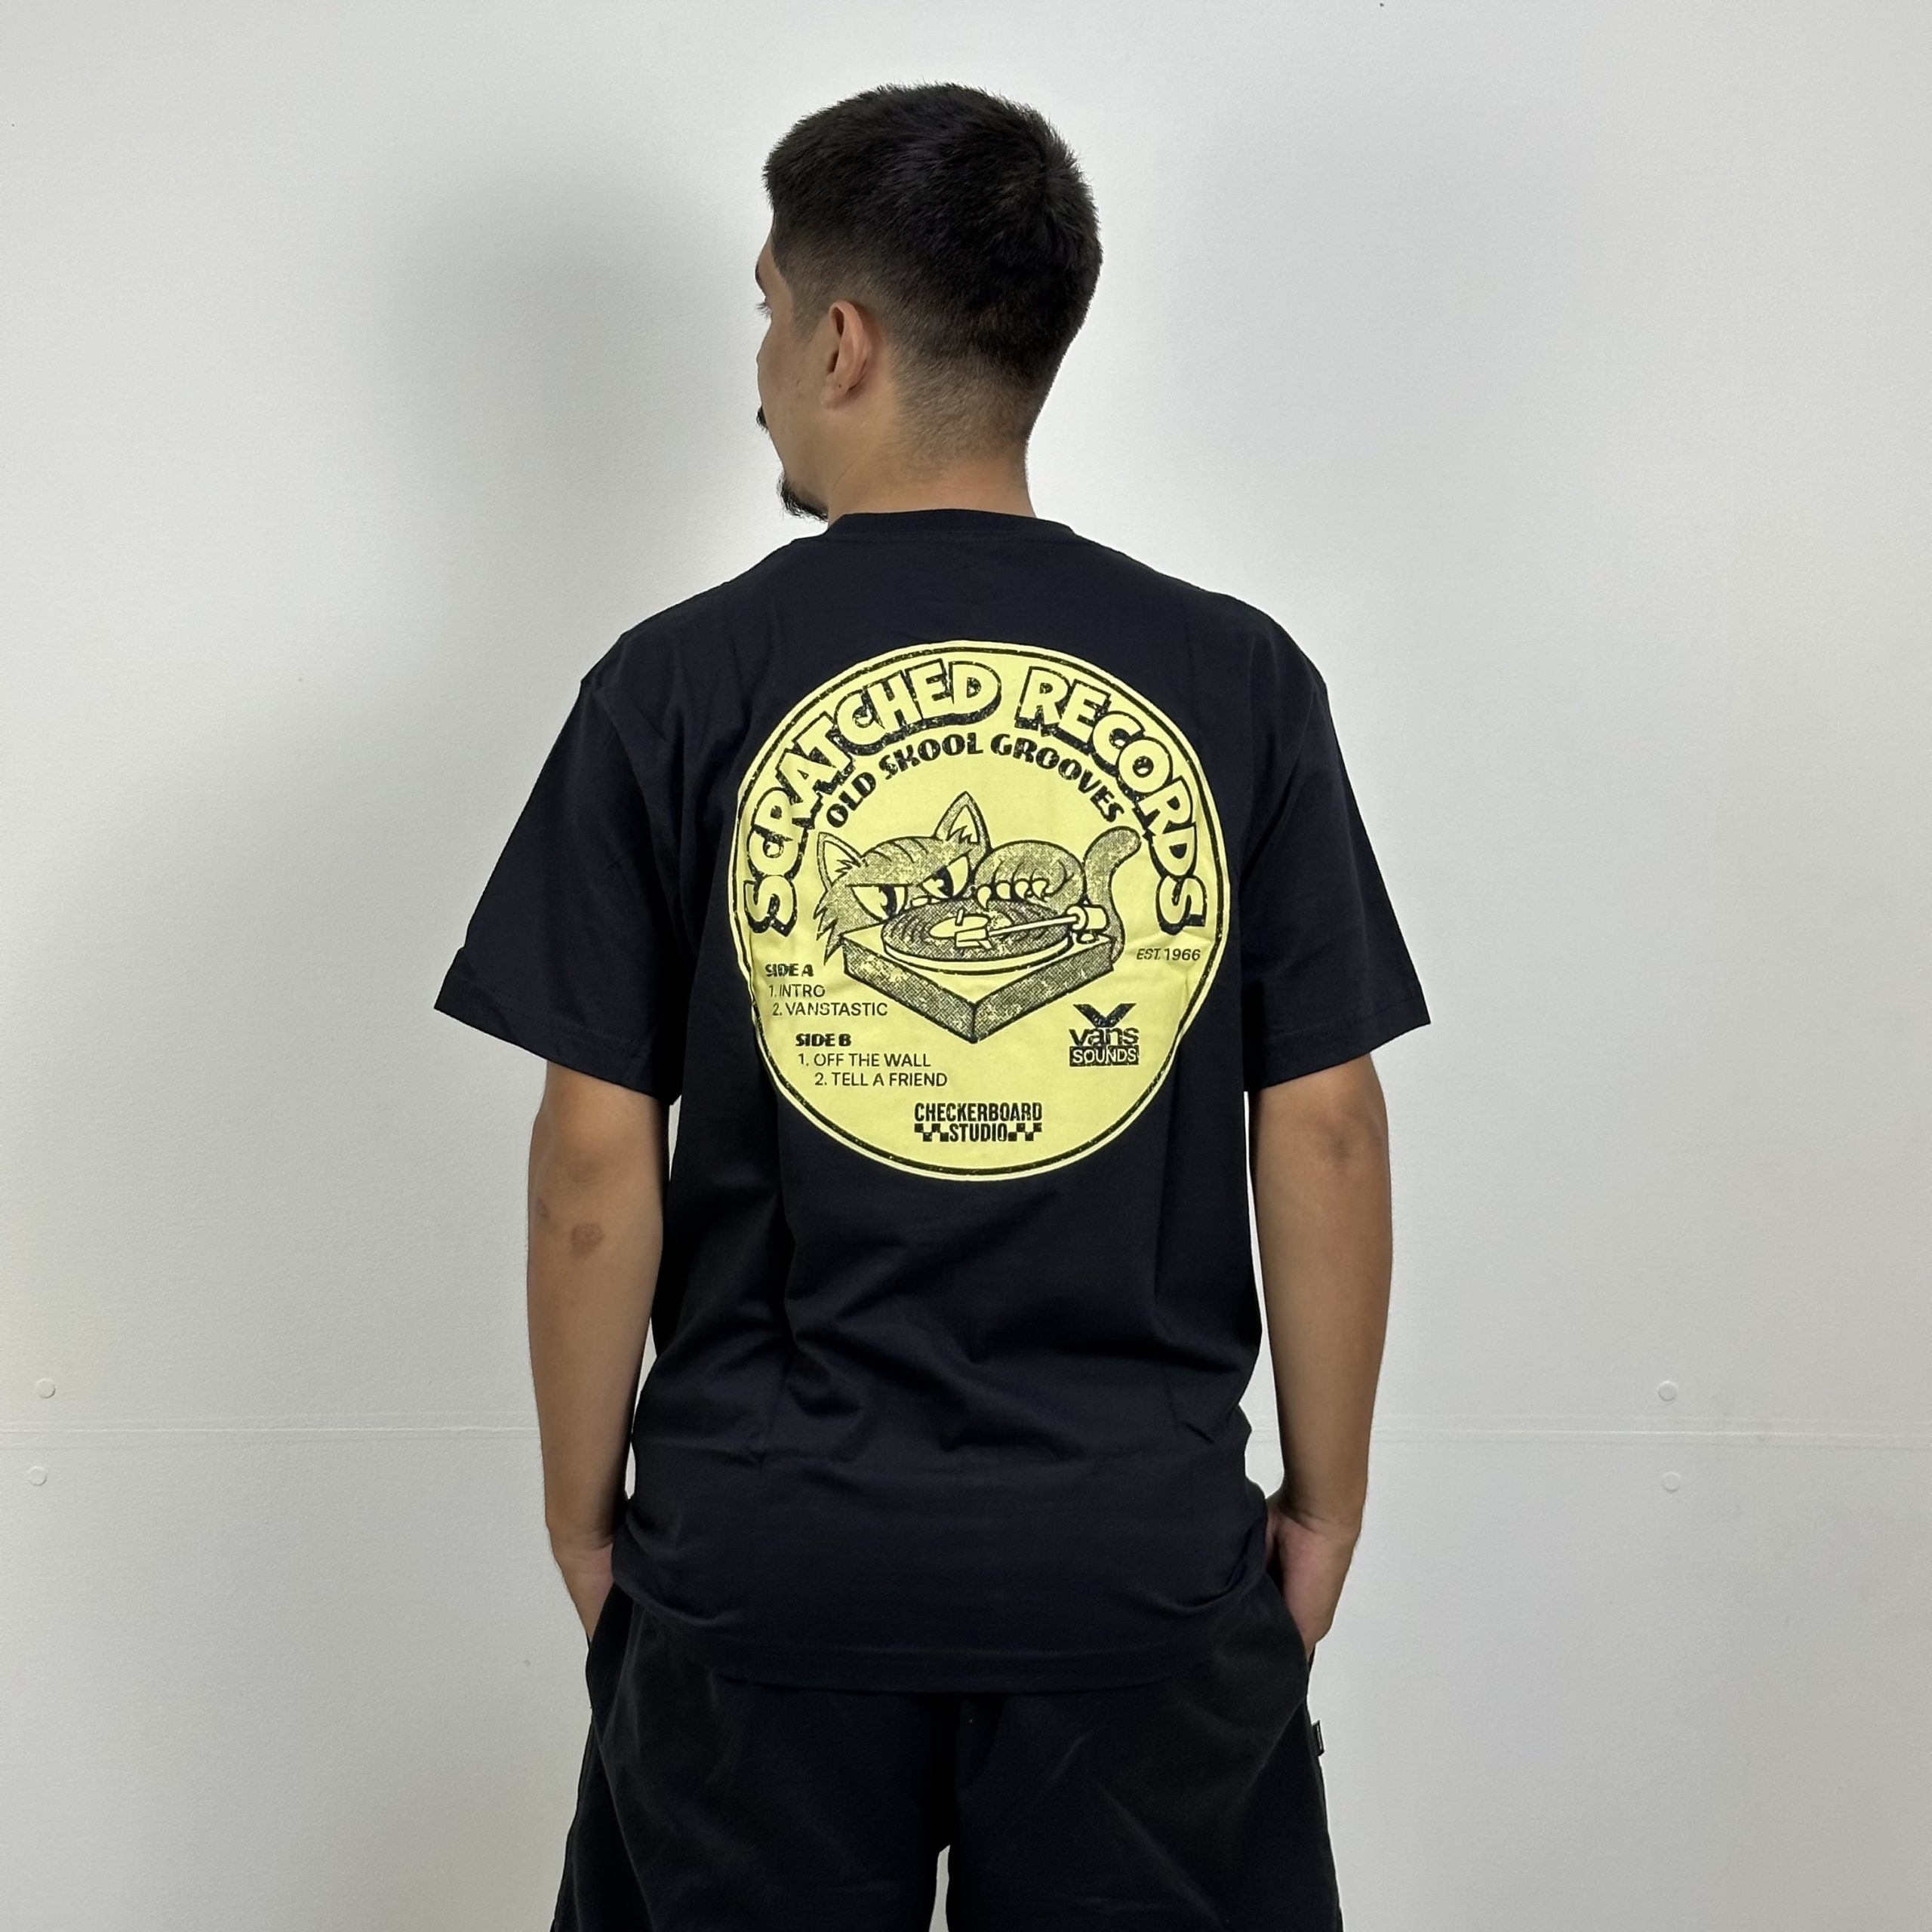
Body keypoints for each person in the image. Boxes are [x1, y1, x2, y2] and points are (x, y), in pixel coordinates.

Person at [433, 80, 1430, 1932]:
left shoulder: (676, 685)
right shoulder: (1237, 681)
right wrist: (1325, 1508)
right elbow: (1327, 1125)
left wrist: (586, 1521)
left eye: (762, 313)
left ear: (840, 342)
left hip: (762, 1559)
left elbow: (588, 1169)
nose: (754, 373)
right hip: (1133, 1563)